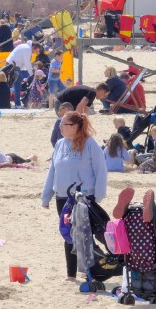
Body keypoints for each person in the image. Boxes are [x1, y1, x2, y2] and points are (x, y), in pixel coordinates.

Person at [41, 111, 108, 281]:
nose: (60, 127)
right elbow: (52, 171)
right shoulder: (60, 144)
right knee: (68, 233)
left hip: (83, 197)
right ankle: (71, 274)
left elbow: (101, 170)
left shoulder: (90, 144)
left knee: (85, 234)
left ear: (76, 126)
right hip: (62, 197)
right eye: (60, 124)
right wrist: (46, 196)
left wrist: (98, 195)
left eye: (64, 124)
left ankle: (92, 270)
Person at [5, 41, 35, 108]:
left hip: (10, 64)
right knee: (18, 85)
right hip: (14, 66)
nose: (34, 52)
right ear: (32, 47)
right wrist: (32, 74)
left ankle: (11, 103)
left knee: (10, 85)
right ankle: (17, 104)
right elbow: (27, 63)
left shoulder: (23, 46)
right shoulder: (27, 49)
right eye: (35, 50)